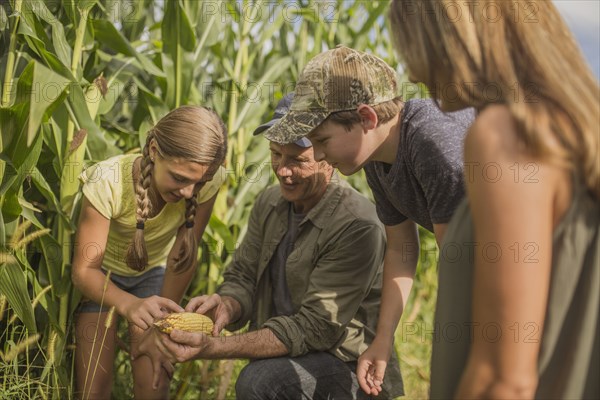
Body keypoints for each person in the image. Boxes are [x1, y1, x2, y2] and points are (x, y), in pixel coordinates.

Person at [386, 0, 599, 398]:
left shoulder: (506, 135)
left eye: (416, 49)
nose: (414, 73)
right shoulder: (572, 133)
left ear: (456, 39)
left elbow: (505, 381)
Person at [142, 94, 404, 400]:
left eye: (297, 160)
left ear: (327, 158)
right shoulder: (269, 203)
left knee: (259, 382)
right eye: (276, 154)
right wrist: (227, 305)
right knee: (263, 376)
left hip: (348, 363)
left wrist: (213, 348)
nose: (281, 169)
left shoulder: (356, 224)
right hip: (291, 352)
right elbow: (242, 277)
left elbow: (315, 328)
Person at [262, 45, 474, 395]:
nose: (315, 154)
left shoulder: (431, 142)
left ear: (367, 118)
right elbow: (402, 249)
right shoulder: (377, 159)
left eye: (322, 139)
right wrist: (382, 340)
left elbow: (461, 267)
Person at [71, 105, 227, 399]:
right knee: (93, 387)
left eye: (200, 183)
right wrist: (128, 305)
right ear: (154, 150)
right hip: (101, 279)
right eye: (180, 178)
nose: (189, 193)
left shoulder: (207, 179)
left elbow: (183, 255)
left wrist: (164, 321)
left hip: (153, 278)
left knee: (154, 381)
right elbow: (83, 272)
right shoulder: (108, 182)